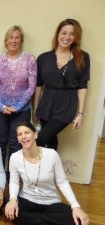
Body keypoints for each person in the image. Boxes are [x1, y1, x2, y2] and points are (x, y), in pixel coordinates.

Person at [5, 121, 89, 225]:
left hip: (50, 202)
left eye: (27, 132)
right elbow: (14, 181)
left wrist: (75, 206)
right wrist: (13, 199)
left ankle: (38, 221)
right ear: (18, 138)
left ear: (35, 134)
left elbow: (62, 182)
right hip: (27, 200)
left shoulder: (52, 155)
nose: (23, 136)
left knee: (78, 220)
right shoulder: (15, 157)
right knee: (12, 212)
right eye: (20, 134)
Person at [33, 18, 90, 150]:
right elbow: (38, 85)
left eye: (72, 33)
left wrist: (80, 114)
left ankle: (30, 168)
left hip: (67, 105)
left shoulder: (82, 57)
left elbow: (82, 86)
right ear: (58, 34)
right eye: (64, 33)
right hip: (46, 104)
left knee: (39, 139)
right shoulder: (43, 58)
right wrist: (35, 109)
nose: (67, 37)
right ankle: (48, 170)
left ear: (76, 37)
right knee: (51, 142)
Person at [0, 25, 37, 175]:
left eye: (17, 37)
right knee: (0, 143)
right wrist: (1, 106)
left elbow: (32, 86)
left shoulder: (29, 59)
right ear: (6, 40)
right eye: (11, 37)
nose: (14, 40)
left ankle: (13, 177)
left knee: (16, 144)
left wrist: (17, 106)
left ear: (21, 40)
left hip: (21, 110)